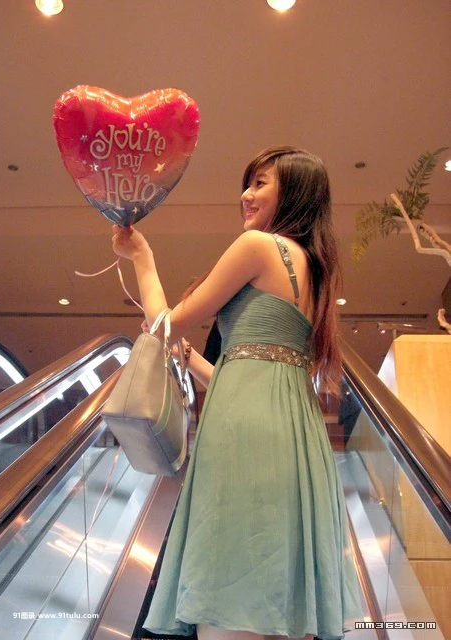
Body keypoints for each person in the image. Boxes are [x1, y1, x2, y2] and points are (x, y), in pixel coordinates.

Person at [112, 145, 361, 640]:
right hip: (297, 439)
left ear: (294, 193)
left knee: (229, 583)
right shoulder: (314, 270)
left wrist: (142, 258)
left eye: (261, 183)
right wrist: (191, 359)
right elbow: (257, 372)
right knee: (277, 592)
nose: (246, 194)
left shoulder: (259, 247)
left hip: (243, 436)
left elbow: (164, 324)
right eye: (248, 183)